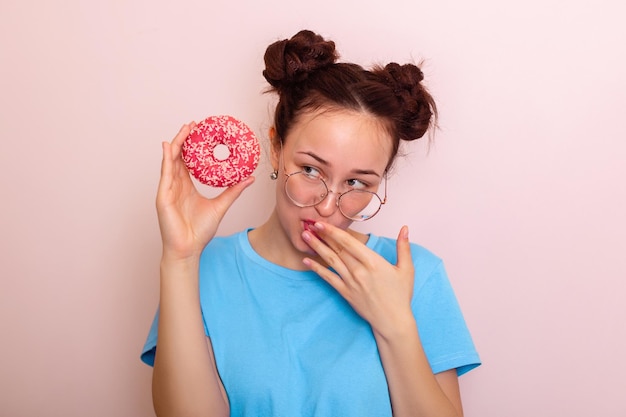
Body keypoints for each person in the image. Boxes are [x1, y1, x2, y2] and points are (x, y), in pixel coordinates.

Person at [141, 29, 480, 417]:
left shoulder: (416, 275)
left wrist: (395, 325)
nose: (327, 207)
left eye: (356, 183)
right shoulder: (205, 268)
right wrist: (180, 259)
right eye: (310, 169)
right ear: (275, 148)